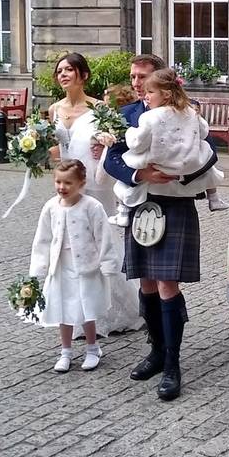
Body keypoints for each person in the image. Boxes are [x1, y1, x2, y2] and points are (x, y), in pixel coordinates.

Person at [102, 54, 216, 401]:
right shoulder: (126, 115)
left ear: (163, 82)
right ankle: (154, 351)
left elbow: (210, 155)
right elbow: (112, 158)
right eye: (133, 77)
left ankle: (172, 363)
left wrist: (180, 175)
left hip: (175, 202)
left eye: (142, 77)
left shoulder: (186, 110)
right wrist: (140, 174)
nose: (136, 83)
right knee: (147, 282)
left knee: (167, 283)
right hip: (141, 202)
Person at [48, 52, 143, 338]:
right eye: (60, 71)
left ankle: (116, 308)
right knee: (71, 247)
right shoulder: (53, 110)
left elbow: (111, 146)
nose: (63, 75)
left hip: (95, 182)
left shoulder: (100, 108)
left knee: (102, 243)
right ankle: (79, 312)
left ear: (83, 75)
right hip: (67, 185)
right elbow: (56, 150)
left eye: (69, 70)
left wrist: (103, 146)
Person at [29, 160, 122, 372]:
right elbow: (43, 238)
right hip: (60, 266)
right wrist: (38, 268)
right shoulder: (51, 207)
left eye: (68, 183)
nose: (62, 187)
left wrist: (108, 264)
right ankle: (66, 351)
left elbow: (103, 237)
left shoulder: (92, 206)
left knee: (85, 306)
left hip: (86, 266)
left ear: (81, 183)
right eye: (58, 182)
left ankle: (92, 347)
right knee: (63, 307)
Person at [109, 68, 227, 227]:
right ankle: (213, 197)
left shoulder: (149, 117)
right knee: (205, 155)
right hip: (185, 164)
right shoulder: (190, 111)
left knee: (129, 159)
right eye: (133, 77)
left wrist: (129, 132)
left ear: (166, 94)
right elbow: (204, 132)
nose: (146, 95)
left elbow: (137, 144)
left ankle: (123, 212)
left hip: (167, 177)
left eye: (150, 91)